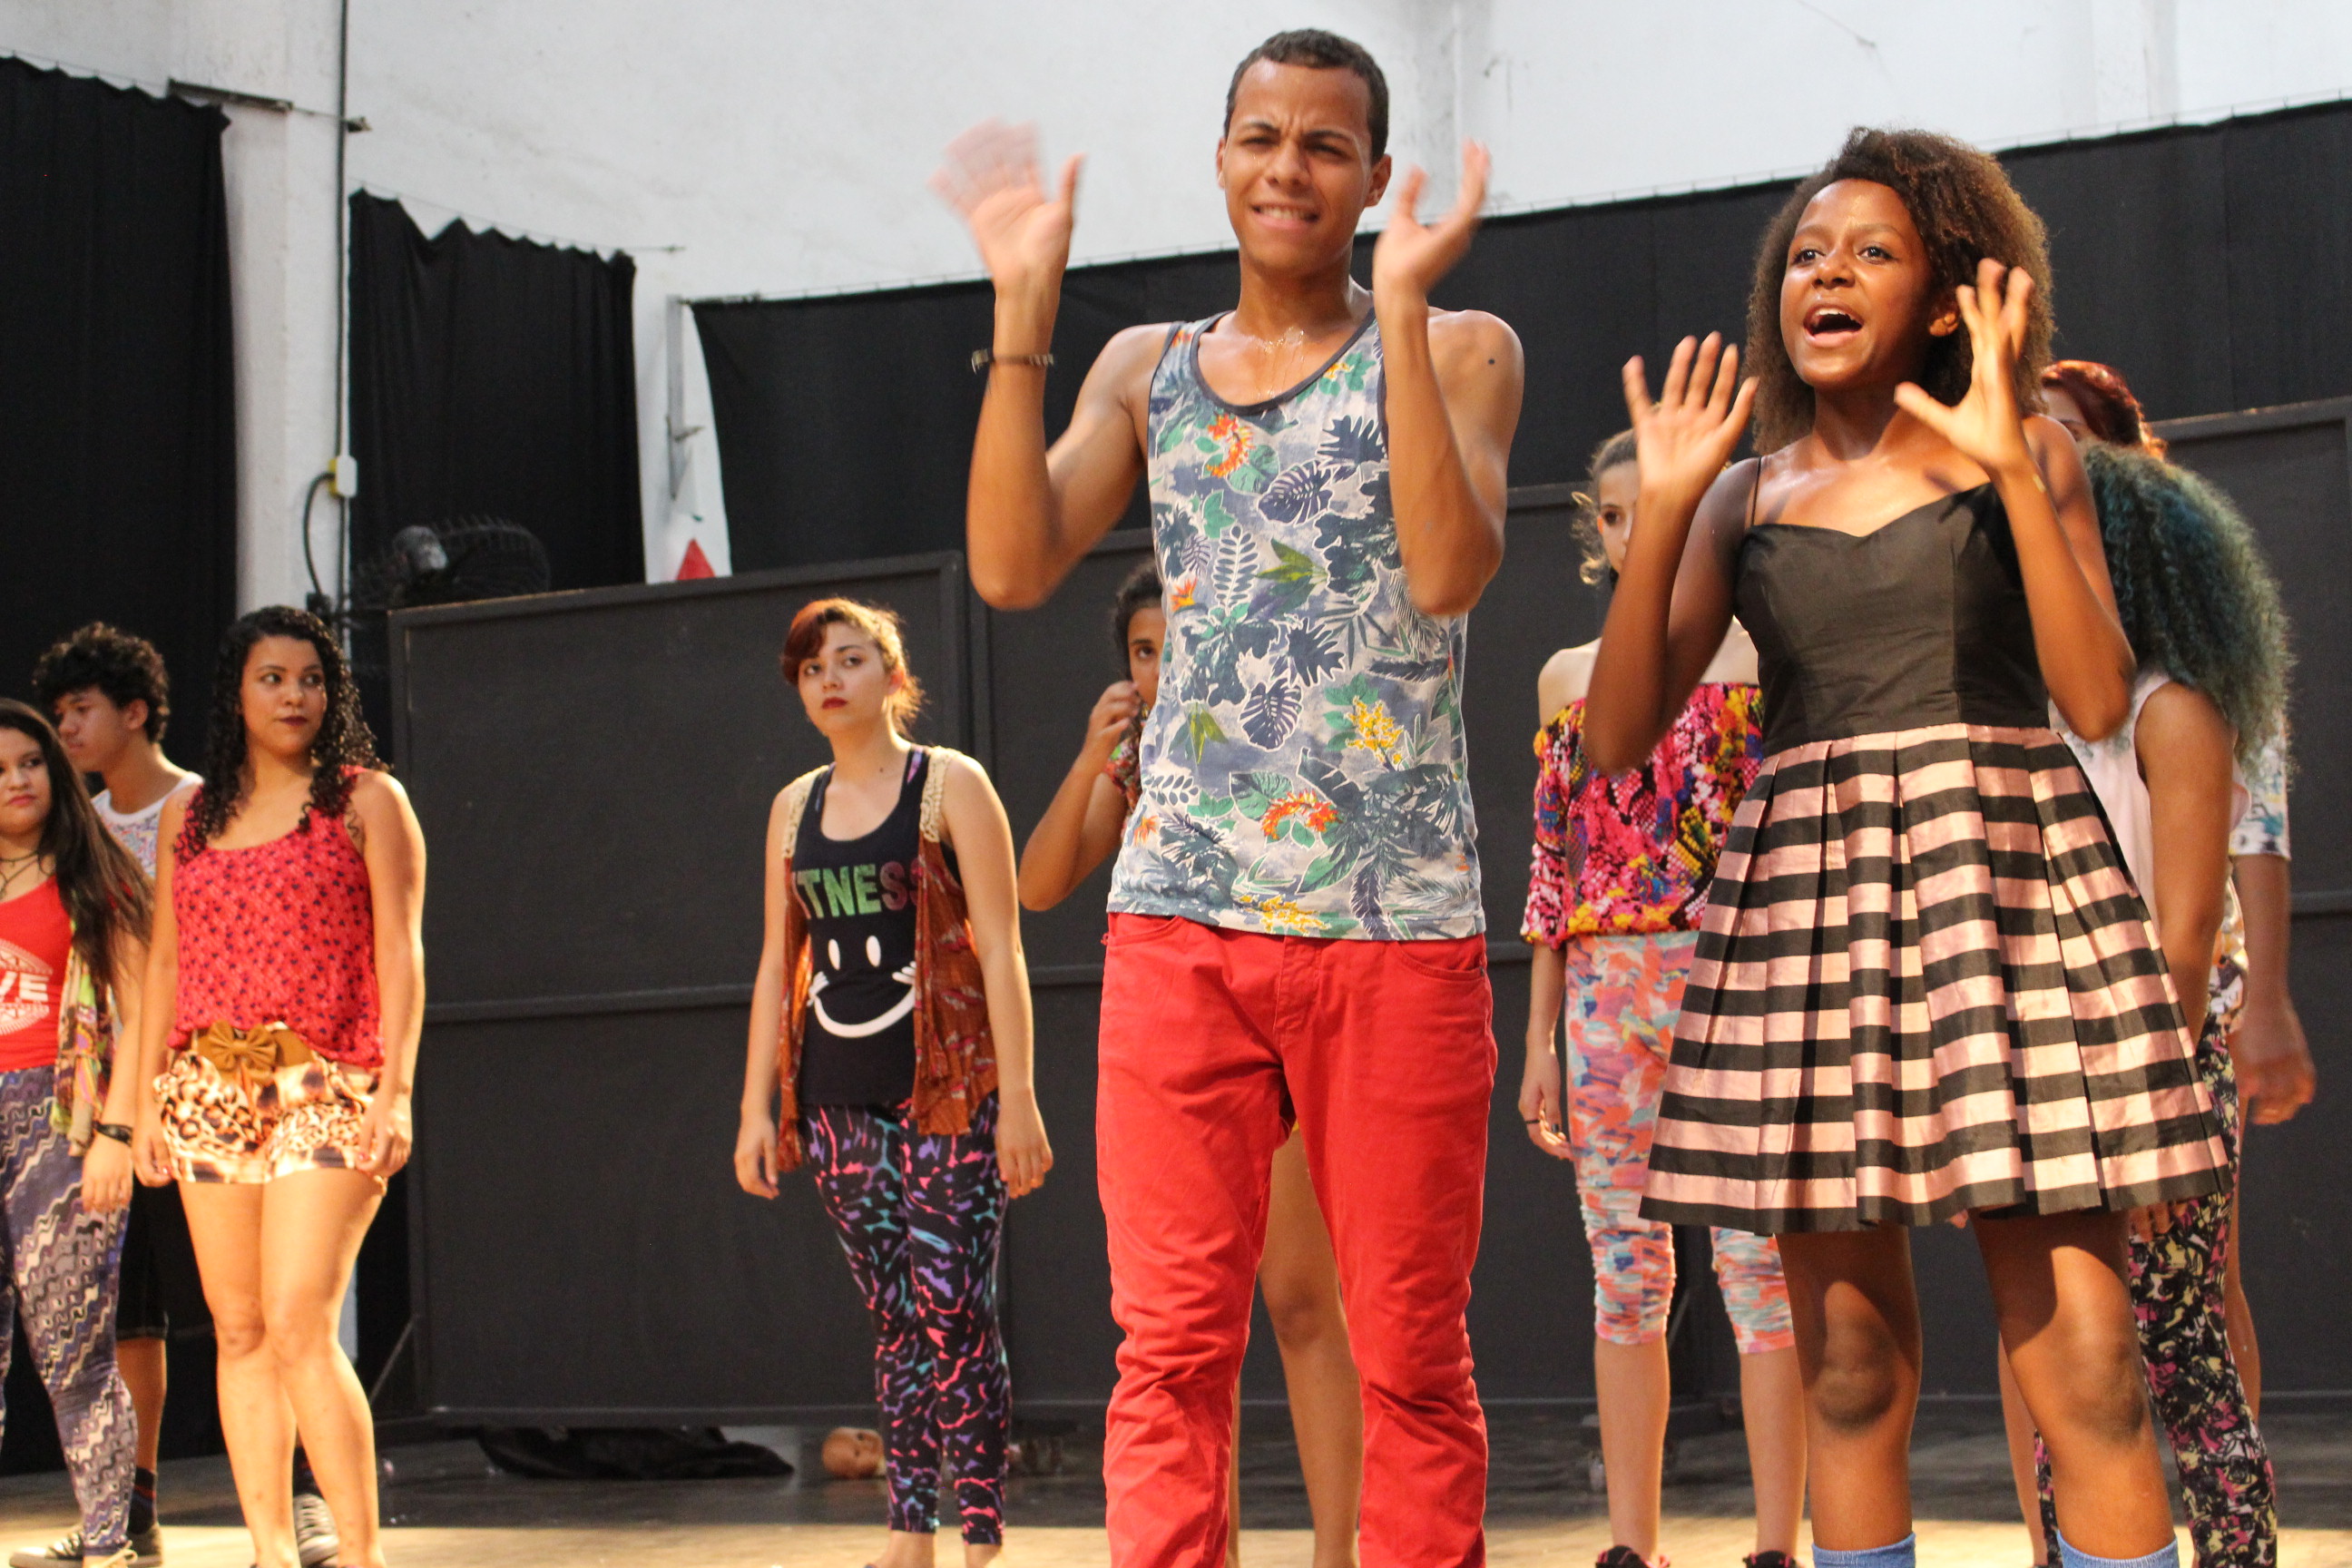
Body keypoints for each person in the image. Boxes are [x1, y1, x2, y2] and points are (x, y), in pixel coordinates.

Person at [1584, 129, 2229, 1568]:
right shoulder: (1744, 497)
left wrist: (2012, 475)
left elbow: (2096, 700)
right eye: (1808, 253)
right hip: (1813, 919)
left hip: (2006, 896)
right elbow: (1617, 738)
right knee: (1849, 1369)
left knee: (2089, 1366)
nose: (1828, 274)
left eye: (1872, 252)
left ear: (1946, 300)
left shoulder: (2029, 453)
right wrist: (1666, 513)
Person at [936, 26, 1524, 1567]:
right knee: (1170, 1348)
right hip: (1182, 915)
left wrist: (1401, 308)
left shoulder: (1462, 344)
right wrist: (1021, 320)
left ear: (1373, 178)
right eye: (1262, 136)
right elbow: (1010, 563)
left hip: (1392, 924)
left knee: (1408, 1353)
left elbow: (1447, 570)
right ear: (1219, 158)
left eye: (1325, 144)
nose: (1288, 167)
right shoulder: (1150, 371)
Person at [1984, 359, 2294, 1568]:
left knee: (2184, 1342)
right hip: (2045, 1054)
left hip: (2159, 1055)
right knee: (2063, 1350)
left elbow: (2187, 934)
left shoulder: (2174, 710)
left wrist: (2152, 1105)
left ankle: (2234, 1555)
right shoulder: (2019, 715)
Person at [1017, 563, 1363, 1568]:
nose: (1162, 666)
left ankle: (1336, 1553)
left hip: (1282, 1025)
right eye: (1142, 650)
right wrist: (1091, 760)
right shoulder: (1136, 760)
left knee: (1302, 1300)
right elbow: (1040, 883)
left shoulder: (1272, 728)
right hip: (1179, 1036)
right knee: (1190, 1333)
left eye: (1176, 643)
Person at [1518, 431, 1804, 1568]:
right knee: (1624, 1273)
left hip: (1735, 978)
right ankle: (1633, 1547)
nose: (1638, 529)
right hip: (1605, 993)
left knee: (1759, 1267)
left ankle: (1776, 1545)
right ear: (1598, 531)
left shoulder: (1757, 657)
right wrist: (1540, 1039)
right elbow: (1555, 869)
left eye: (1661, 506)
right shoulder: (1566, 677)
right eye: (1617, 512)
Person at [733, 598, 1049, 1568]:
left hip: (948, 1090)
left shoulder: (949, 784)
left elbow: (1000, 946)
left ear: (893, 676)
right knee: (896, 1320)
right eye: (811, 668)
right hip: (836, 1094)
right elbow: (775, 960)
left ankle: (982, 1538)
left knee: (957, 1310)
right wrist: (756, 1108)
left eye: (849, 659)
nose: (829, 679)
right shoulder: (794, 807)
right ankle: (910, 1535)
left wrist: (1020, 1097)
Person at [28, 623, 342, 1568]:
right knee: (131, 1313)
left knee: (266, 1313)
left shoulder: (208, 809)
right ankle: (134, 1511)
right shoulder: (77, 824)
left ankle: (308, 1499)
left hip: (220, 1084)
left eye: (81, 709)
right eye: (56, 714)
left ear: (135, 711)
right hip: (112, 1098)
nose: (65, 729)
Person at [134, 607, 425, 1568]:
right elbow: (165, 961)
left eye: (311, 679)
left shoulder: (366, 799)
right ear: (236, 694)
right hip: (209, 1082)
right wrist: (146, 1100)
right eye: (272, 678)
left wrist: (395, 1091)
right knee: (241, 1328)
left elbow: (402, 952)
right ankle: (268, 1550)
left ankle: (361, 1554)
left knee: (300, 1319)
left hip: (328, 1081)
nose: (295, 695)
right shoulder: (190, 816)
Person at [0, 701, 151, 1568]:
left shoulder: (92, 872)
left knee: (75, 1350)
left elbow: (143, 1008)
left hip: (62, 1121)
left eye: (31, 762)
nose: (17, 781)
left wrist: (117, 1134)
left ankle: (107, 1543)